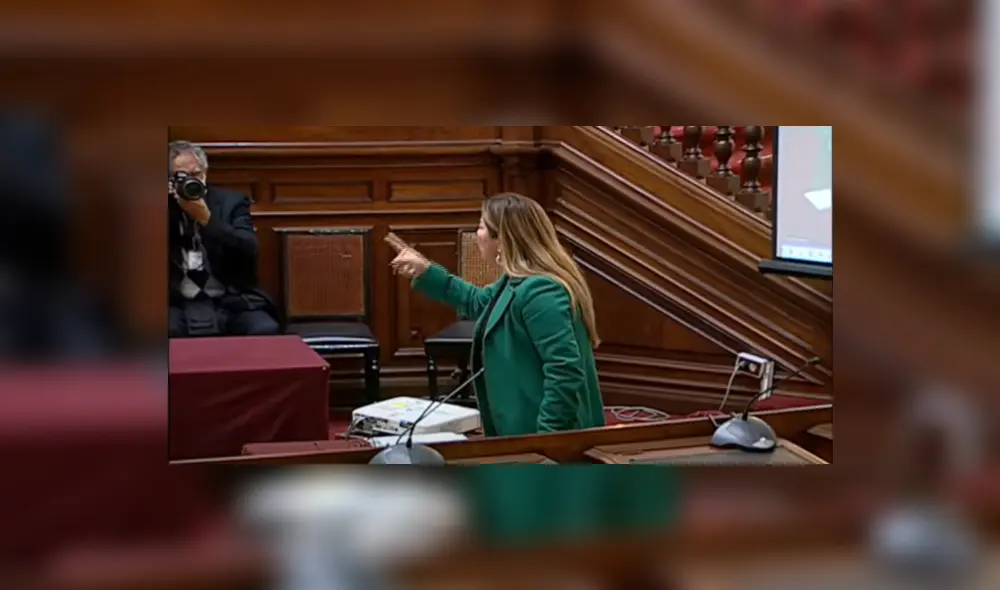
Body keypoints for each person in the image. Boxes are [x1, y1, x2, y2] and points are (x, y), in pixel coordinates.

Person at [386, 192, 605, 437]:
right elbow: (479, 302)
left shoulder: (541, 291)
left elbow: (564, 370)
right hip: (525, 429)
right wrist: (425, 271)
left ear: (501, 239)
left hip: (546, 435)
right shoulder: (516, 281)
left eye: (481, 227)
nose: (477, 234)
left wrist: (548, 438)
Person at [168, 141, 279, 338]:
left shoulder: (231, 203)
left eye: (196, 175)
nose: (191, 183)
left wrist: (207, 219)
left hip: (229, 299)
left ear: (205, 172)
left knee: (264, 329)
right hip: (176, 302)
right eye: (182, 177)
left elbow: (249, 249)